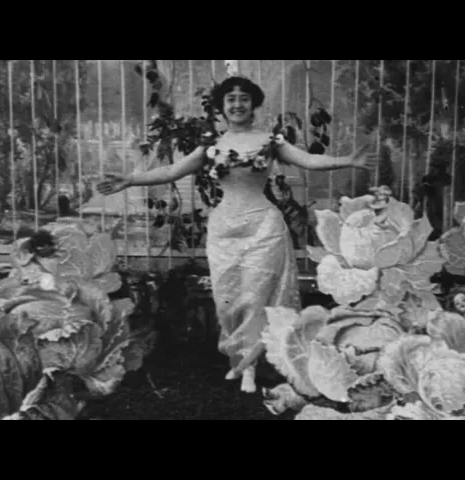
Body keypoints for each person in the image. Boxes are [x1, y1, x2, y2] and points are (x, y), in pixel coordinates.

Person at [97, 75, 375, 394]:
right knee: (229, 302)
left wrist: (348, 160)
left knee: (255, 297)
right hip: (224, 231)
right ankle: (240, 357)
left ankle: (248, 368)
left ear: (254, 104)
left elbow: (309, 160)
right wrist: (130, 180)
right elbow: (172, 171)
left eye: (244, 98)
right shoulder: (211, 145)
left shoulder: (271, 141)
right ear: (221, 106)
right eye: (231, 99)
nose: (238, 104)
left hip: (263, 227)